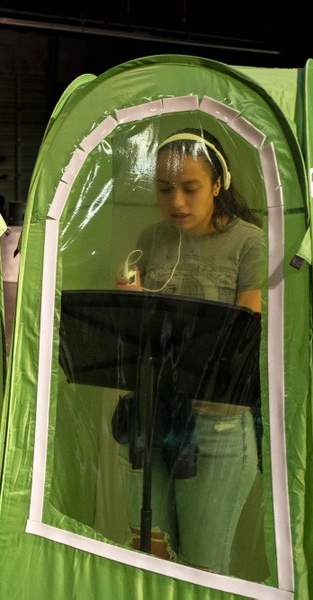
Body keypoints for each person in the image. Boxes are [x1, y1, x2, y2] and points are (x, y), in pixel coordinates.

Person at [112, 128, 263, 573]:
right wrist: (126, 302)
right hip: (150, 414)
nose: (176, 202)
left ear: (218, 185)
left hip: (216, 424)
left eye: (190, 188)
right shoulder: (152, 238)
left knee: (201, 571)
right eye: (164, 189)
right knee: (148, 555)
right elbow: (130, 333)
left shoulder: (250, 243)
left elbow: (244, 334)